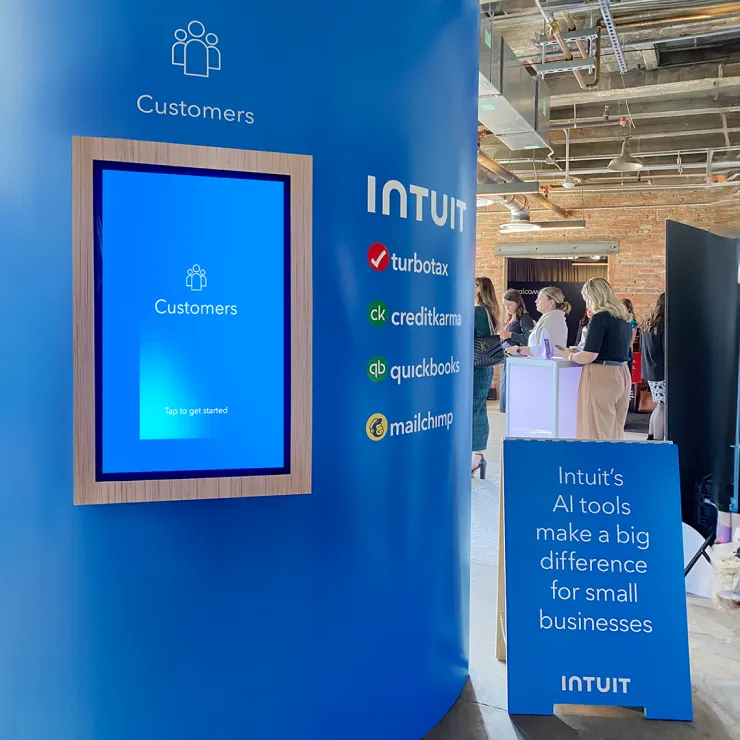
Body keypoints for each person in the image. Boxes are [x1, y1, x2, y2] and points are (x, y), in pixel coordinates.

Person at [561, 278, 632, 440]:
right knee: (615, 428)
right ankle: (614, 463)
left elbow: (589, 355)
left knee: (597, 429)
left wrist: (570, 355)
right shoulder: (624, 318)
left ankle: (600, 465)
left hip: (601, 375)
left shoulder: (600, 317)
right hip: (621, 373)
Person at [473, 276, 500, 479]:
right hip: (478, 367)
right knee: (477, 408)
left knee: (476, 408)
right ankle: (476, 455)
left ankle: (477, 456)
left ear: (480, 289)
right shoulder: (483, 310)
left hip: (478, 367)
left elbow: (482, 340)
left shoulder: (480, 311)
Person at [505, 286, 569, 359]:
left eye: (540, 298)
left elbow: (544, 350)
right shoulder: (551, 319)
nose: (536, 301)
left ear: (551, 302)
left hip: (546, 366)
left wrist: (519, 350)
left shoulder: (551, 321)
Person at [498, 289, 535, 412]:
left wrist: (510, 335)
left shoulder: (525, 318)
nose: (507, 308)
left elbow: (528, 339)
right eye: (505, 305)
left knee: (511, 387)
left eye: (510, 304)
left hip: (516, 358)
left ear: (517, 303)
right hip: (507, 356)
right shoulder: (510, 318)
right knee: (505, 385)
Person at [641, 292, 666, 441]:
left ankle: (651, 436)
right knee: (663, 407)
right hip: (662, 370)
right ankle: (657, 441)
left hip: (651, 370)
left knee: (659, 405)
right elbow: (666, 350)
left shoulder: (648, 323)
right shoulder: (664, 325)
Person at [621, 298, 639, 374]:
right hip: (621, 349)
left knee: (628, 372)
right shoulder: (619, 320)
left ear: (628, 309)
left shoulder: (632, 322)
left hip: (626, 350)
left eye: (623, 308)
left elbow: (631, 340)